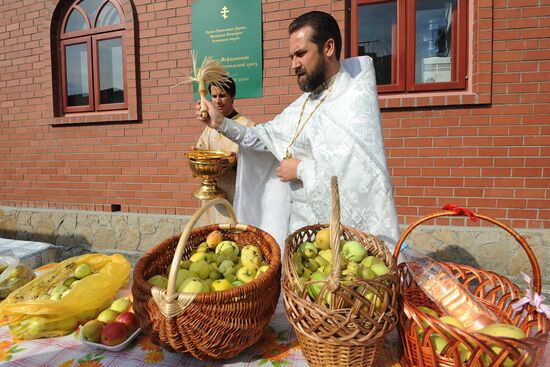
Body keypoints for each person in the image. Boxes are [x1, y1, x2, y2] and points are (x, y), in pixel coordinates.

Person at [195, 11, 400, 250]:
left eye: (301, 54)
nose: (294, 65)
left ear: (329, 47)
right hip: (300, 232)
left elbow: (360, 178)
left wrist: (301, 169)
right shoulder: (305, 103)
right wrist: (220, 122)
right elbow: (264, 138)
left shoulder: (352, 101)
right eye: (292, 56)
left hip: (337, 241)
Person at [192, 77, 254, 224]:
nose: (218, 101)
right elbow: (202, 150)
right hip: (212, 200)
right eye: (214, 96)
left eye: (222, 95)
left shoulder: (247, 126)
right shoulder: (209, 127)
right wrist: (197, 155)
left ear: (232, 97)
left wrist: (235, 164)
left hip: (236, 197)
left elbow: (257, 163)